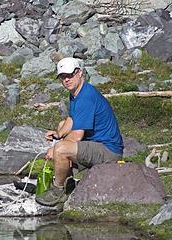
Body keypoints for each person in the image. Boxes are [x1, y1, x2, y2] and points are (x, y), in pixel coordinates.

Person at [35, 57, 124, 207]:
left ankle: (58, 191)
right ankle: (68, 181)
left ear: (79, 73)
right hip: (96, 142)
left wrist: (56, 147)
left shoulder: (86, 97)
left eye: (70, 75)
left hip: (108, 150)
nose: (66, 80)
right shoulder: (77, 92)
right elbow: (71, 118)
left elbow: (77, 135)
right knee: (62, 125)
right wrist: (58, 134)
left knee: (61, 149)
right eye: (63, 77)